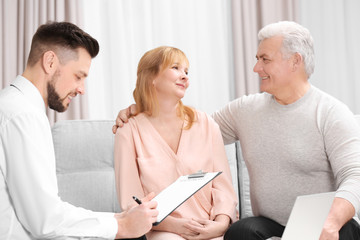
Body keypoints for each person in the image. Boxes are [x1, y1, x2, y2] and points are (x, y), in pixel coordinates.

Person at [113, 21, 360, 240]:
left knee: (345, 231)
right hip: (268, 224)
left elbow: (356, 175)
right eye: (257, 59)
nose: (256, 68)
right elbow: (193, 131)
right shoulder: (245, 110)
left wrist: (332, 221)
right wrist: (142, 108)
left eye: (265, 59)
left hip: (320, 223)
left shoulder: (331, 113)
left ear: (295, 61)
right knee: (240, 232)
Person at [0, 21, 158, 240]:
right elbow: (45, 221)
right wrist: (120, 226)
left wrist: (118, 220)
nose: (82, 89)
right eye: (78, 76)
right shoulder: (23, 115)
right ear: (50, 62)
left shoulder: (13, 106)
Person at [113, 46, 238, 240]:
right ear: (152, 77)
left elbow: (224, 189)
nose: (185, 76)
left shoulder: (205, 124)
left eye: (186, 71)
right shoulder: (129, 131)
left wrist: (220, 225)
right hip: (163, 229)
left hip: (209, 226)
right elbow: (132, 201)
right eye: (175, 68)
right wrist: (175, 225)